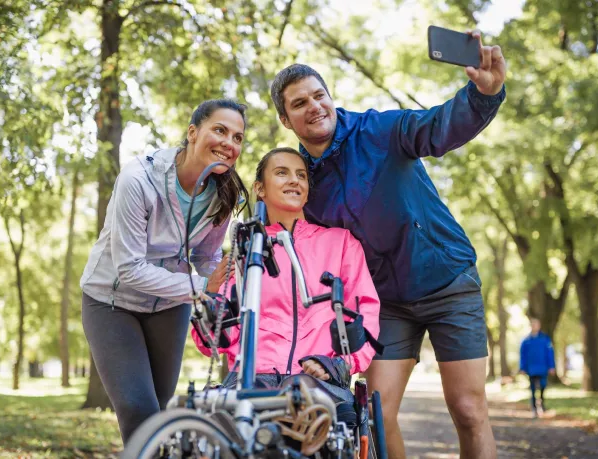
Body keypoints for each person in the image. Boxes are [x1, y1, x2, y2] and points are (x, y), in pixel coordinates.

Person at [269, 30, 506, 459]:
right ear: (287, 120)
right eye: (299, 103)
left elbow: (438, 127)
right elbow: (291, 237)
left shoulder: (380, 129)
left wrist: (482, 96)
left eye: (318, 95)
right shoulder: (303, 181)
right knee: (376, 414)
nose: (314, 107)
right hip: (387, 304)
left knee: (469, 409)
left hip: (447, 281)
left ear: (330, 96)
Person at [79, 99, 249, 443]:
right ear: (192, 132)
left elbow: (206, 257)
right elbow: (129, 269)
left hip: (169, 306)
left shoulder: (223, 194)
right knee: (137, 409)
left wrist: (225, 280)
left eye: (238, 137)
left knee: (159, 411)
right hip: (111, 302)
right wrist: (203, 285)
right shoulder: (138, 179)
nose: (229, 143)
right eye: (220, 130)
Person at [191, 147, 380, 404]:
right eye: (282, 173)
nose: (294, 180)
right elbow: (217, 340)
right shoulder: (245, 249)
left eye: (301, 175)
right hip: (252, 378)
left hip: (319, 379)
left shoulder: (341, 244)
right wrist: (211, 302)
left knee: (308, 406)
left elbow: (364, 314)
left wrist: (340, 364)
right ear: (260, 188)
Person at [519, 317, 556, 417]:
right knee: (532, 388)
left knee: (543, 386)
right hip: (531, 369)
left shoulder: (545, 339)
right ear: (530, 326)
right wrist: (522, 367)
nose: (534, 326)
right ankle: (534, 408)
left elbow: (550, 353)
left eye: (536, 324)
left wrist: (551, 366)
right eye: (533, 324)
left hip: (543, 367)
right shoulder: (525, 341)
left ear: (539, 326)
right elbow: (523, 356)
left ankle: (542, 403)